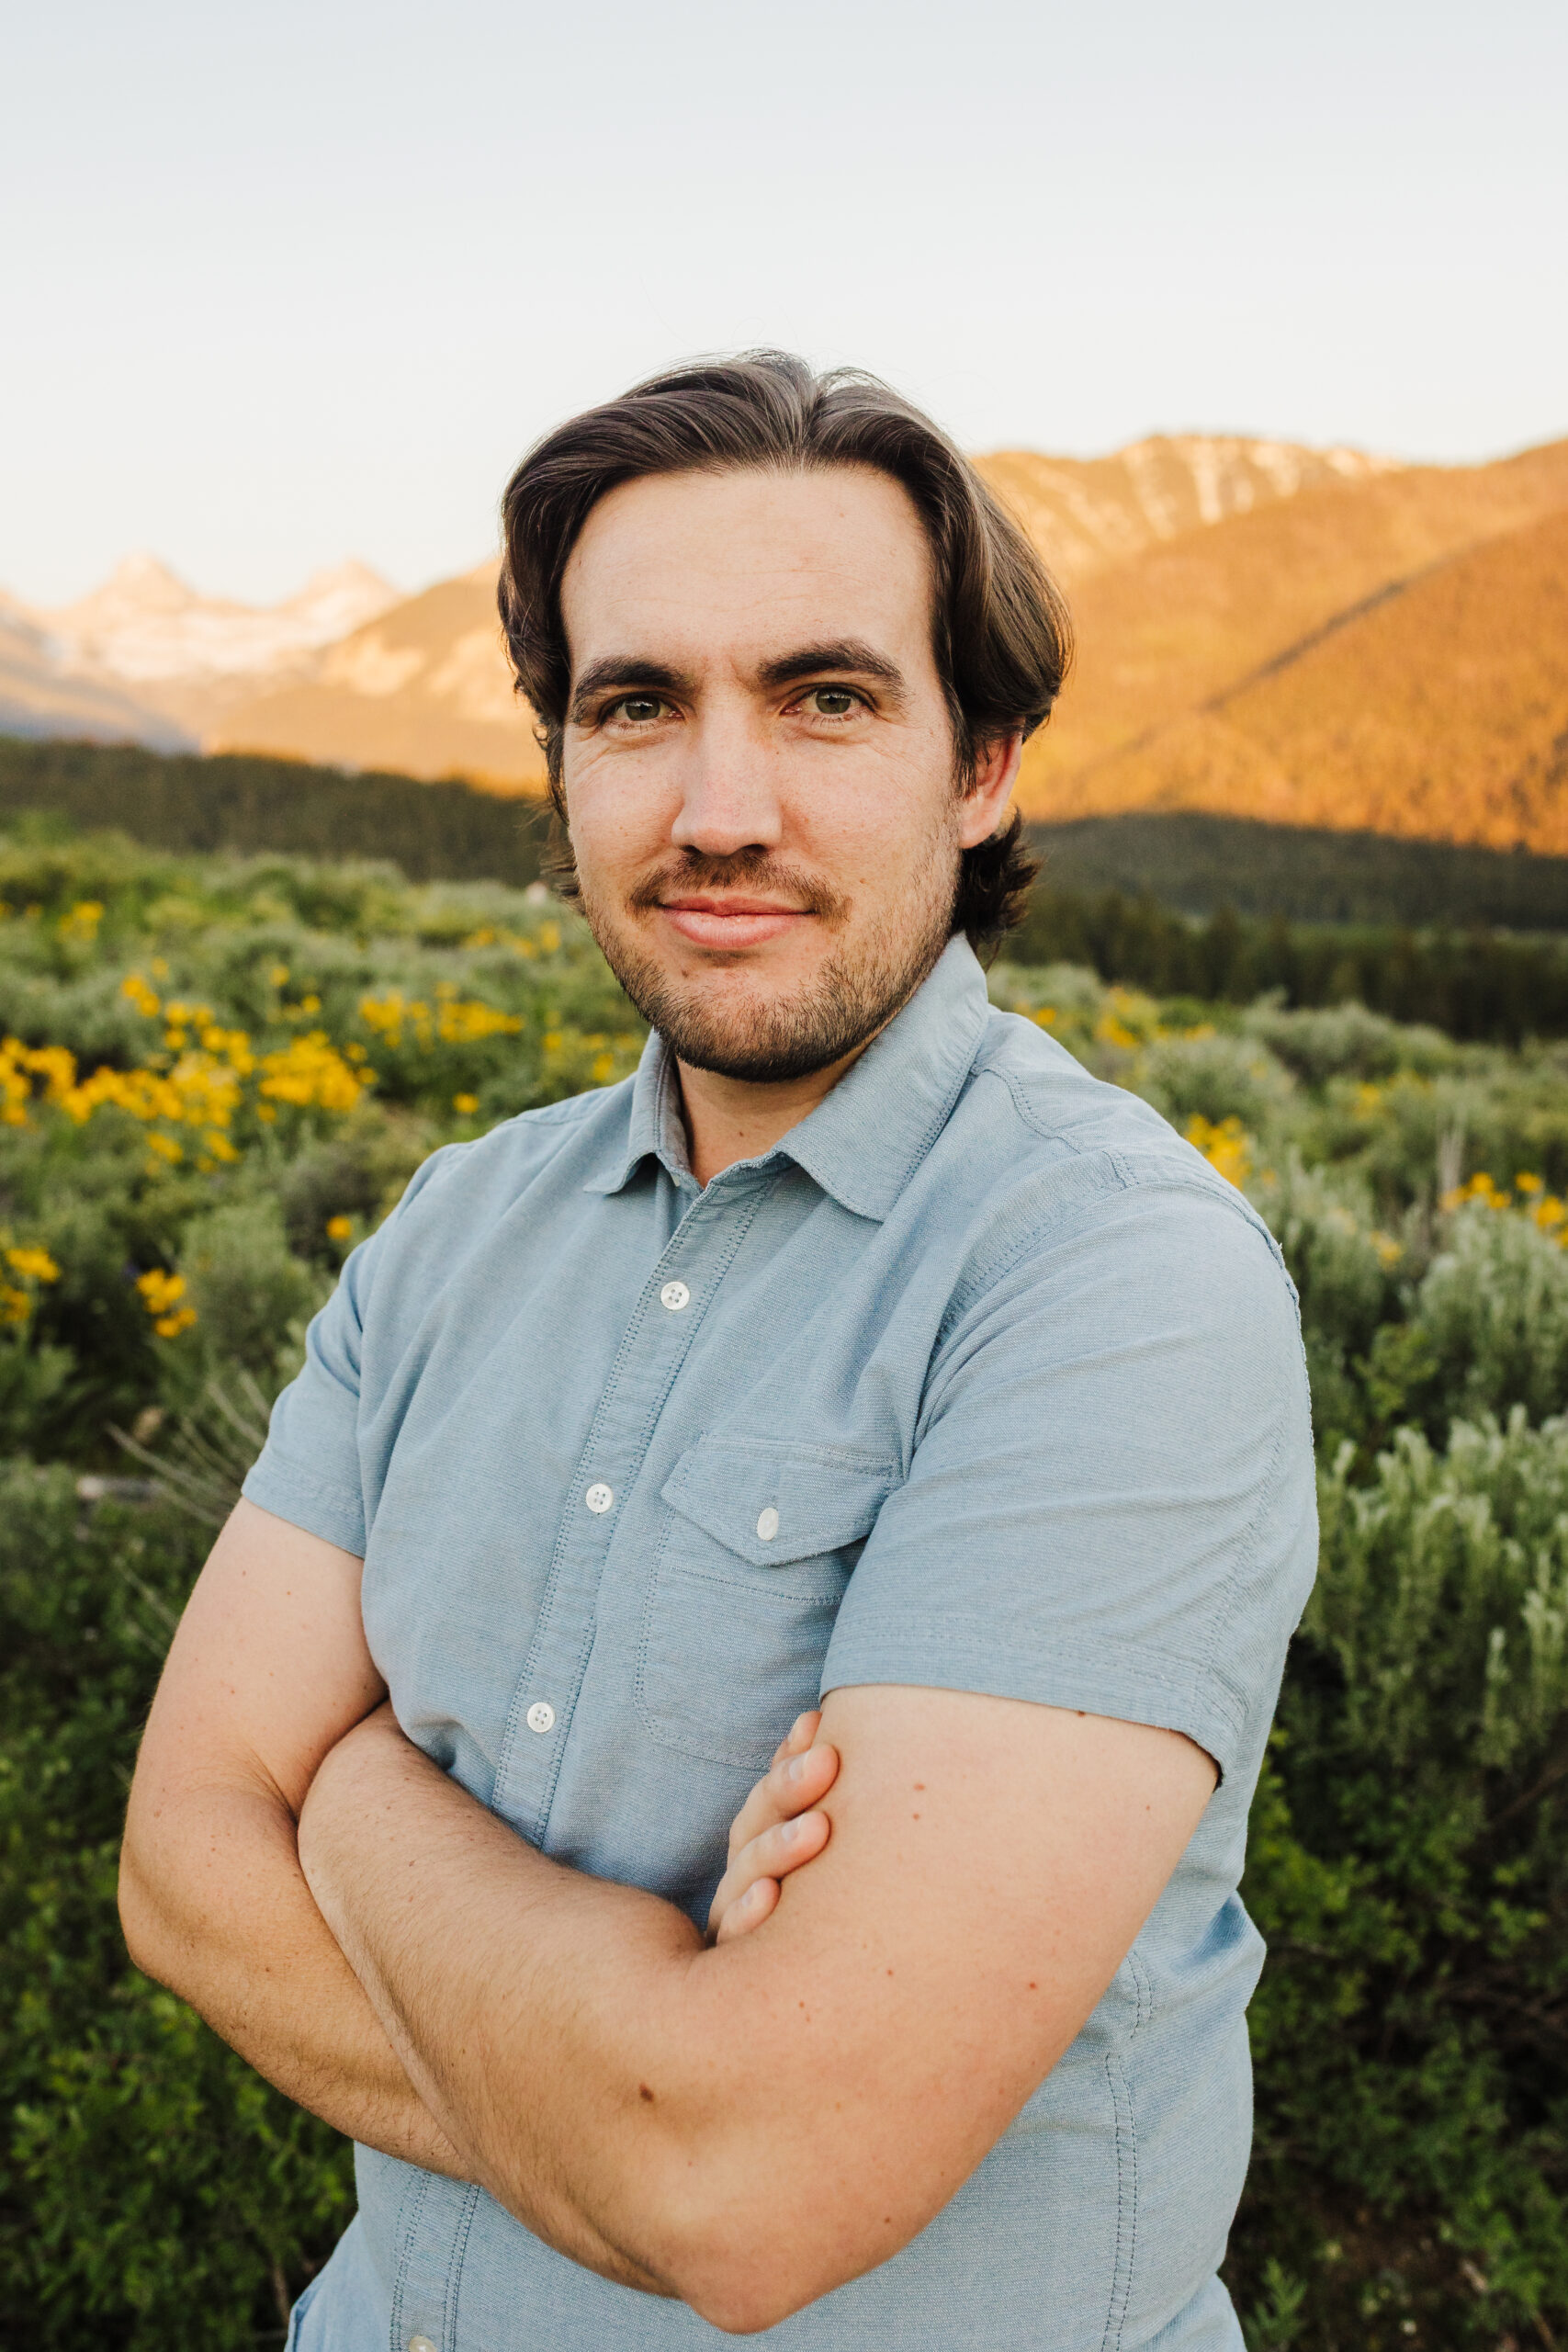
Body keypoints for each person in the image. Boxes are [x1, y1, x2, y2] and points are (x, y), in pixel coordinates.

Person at [118, 351, 1317, 2350]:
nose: (718, 810)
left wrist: (336, 1789)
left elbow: (755, 2192)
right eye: (635, 705)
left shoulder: (1114, 1283)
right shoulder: (453, 1231)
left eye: (825, 698)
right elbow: (176, 1867)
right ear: (561, 764)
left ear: (982, 763)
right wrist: (636, 2102)